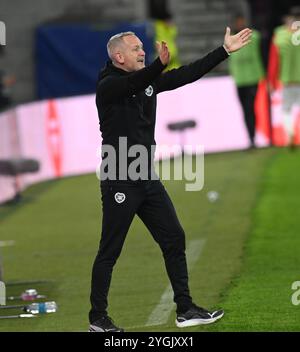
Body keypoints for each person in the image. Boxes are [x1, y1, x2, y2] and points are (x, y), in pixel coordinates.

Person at [89, 27, 252, 332]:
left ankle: (186, 308)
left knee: (174, 237)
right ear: (119, 56)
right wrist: (157, 67)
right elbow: (134, 83)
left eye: (142, 47)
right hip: (119, 179)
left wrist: (224, 51)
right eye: (136, 48)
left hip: (146, 177)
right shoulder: (108, 85)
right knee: (110, 250)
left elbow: (186, 75)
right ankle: (98, 318)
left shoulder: (148, 80)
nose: (142, 51)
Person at [228, 14, 265, 148]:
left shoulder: (254, 36)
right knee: (245, 110)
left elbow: (259, 54)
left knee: (250, 108)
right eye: (237, 21)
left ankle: (252, 137)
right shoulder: (231, 39)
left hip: (252, 78)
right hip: (239, 79)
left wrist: (263, 75)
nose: (239, 23)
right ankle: (250, 138)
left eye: (241, 21)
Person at [268, 6, 300, 148]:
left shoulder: (280, 35)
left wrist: (272, 81)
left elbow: (274, 61)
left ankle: (290, 133)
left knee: (286, 110)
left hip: (288, 80)